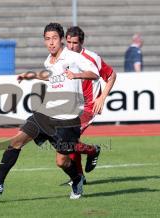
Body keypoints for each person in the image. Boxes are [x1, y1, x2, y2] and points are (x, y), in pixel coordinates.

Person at [0, 23, 100, 200]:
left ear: (61, 39)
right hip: (45, 114)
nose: (51, 43)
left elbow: (94, 73)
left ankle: (77, 179)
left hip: (67, 119)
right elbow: (51, 75)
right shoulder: (48, 60)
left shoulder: (73, 57)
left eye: (54, 38)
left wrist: (77, 75)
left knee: (62, 162)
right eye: (47, 39)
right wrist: (31, 75)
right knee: (16, 141)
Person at [61, 26, 117, 185]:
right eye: (69, 42)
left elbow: (112, 75)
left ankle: (91, 153)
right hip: (72, 106)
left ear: (82, 42)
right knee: (70, 140)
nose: (71, 46)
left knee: (68, 141)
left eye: (75, 43)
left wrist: (102, 98)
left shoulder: (92, 58)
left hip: (89, 106)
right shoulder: (64, 57)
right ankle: (79, 177)